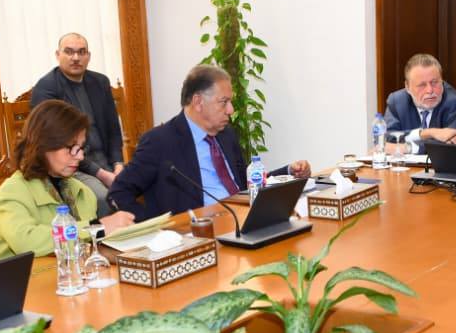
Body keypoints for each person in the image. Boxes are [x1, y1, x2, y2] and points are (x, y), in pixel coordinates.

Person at [108, 65, 311, 220]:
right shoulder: (160, 142)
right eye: (224, 102)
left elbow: (245, 185)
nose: (231, 110)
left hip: (242, 219)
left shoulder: (226, 135)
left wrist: (288, 172)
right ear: (198, 102)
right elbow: (118, 193)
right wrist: (156, 225)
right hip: (201, 232)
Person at [0, 99, 135, 258]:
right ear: (44, 145)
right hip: (32, 274)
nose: (80, 156)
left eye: (81, 148)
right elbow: (26, 241)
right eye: (71, 148)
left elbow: (88, 248)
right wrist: (95, 228)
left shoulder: (82, 191)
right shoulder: (13, 191)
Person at [30, 33, 125, 215]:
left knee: (147, 183)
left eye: (81, 52)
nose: (75, 58)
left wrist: (118, 165)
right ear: (58, 55)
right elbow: (55, 145)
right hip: (71, 167)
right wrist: (102, 174)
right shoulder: (47, 88)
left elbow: (114, 130)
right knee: (102, 198)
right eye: (69, 52)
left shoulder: (100, 82)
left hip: (106, 161)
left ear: (88, 56)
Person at [382, 53, 456, 153]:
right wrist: (426, 133)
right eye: (422, 85)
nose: (430, 90)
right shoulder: (397, 101)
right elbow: (386, 138)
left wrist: (408, 148)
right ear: (407, 87)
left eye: (434, 82)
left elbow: (449, 145)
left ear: (442, 80)